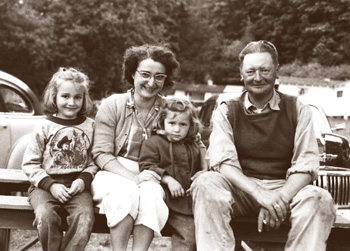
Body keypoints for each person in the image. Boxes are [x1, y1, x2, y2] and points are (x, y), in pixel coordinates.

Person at [190, 40, 336, 251]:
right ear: (241, 74)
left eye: (265, 70)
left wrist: (278, 200)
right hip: (240, 190)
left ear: (277, 71)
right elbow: (223, 162)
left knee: (319, 198)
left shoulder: (298, 109)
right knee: (206, 183)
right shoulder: (226, 110)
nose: (257, 78)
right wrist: (260, 194)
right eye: (250, 71)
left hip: (284, 187)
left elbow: (307, 164)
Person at [91, 44, 180, 250]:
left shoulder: (169, 110)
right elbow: (101, 153)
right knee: (125, 192)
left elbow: (195, 139)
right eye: (145, 74)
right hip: (112, 172)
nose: (151, 82)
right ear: (132, 73)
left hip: (152, 174)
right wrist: (133, 178)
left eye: (159, 77)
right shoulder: (113, 104)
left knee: (151, 195)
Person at [22, 67, 98, 251]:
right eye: (65, 96)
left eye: (77, 97)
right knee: (45, 216)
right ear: (54, 96)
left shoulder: (91, 126)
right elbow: (30, 163)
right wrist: (51, 185)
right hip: (45, 186)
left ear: (84, 98)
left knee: (85, 217)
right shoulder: (44, 126)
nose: (71, 102)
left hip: (77, 188)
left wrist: (83, 179)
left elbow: (96, 160)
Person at [139, 98, 207, 251]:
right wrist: (168, 179)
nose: (177, 129)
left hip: (184, 203)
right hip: (163, 199)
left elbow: (201, 167)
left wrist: (201, 173)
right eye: (172, 123)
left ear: (190, 126)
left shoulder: (193, 144)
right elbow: (147, 166)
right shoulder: (154, 142)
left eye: (183, 124)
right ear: (163, 122)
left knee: (189, 236)